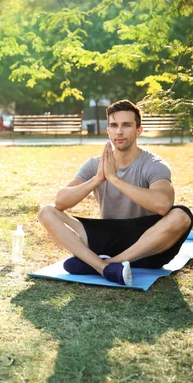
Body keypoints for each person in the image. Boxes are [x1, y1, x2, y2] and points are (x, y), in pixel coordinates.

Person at [38, 100, 193, 286]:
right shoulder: (95, 164)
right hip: (105, 235)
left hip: (145, 245)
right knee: (46, 212)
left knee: (182, 215)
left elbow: (162, 205)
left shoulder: (154, 164)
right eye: (114, 125)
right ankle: (103, 267)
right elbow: (61, 202)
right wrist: (98, 179)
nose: (119, 131)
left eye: (126, 125)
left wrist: (114, 179)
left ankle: (105, 264)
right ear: (108, 131)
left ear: (138, 130)